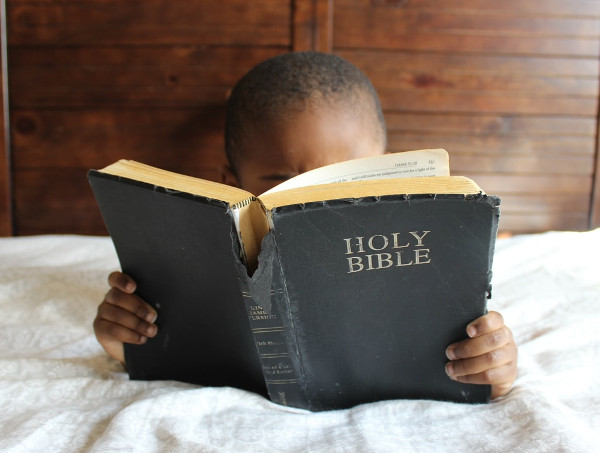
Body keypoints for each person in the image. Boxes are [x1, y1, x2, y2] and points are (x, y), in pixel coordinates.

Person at [94, 51, 517, 400]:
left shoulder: (426, 259)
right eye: (284, 183)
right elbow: (160, 345)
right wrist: (127, 341)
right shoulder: (200, 264)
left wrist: (490, 367)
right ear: (231, 184)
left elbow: (479, 363)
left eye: (347, 178)